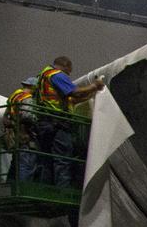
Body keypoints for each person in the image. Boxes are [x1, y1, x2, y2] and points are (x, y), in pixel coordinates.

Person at [34, 57, 105, 188]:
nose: (68, 75)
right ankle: (62, 191)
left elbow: (72, 99)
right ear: (66, 66)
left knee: (47, 160)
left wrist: (91, 92)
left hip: (45, 123)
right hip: (57, 122)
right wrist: (94, 85)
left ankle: (45, 189)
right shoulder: (57, 75)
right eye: (69, 72)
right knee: (63, 160)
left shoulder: (43, 77)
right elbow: (75, 92)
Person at [4, 77, 39, 182]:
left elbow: (6, 117)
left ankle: (10, 185)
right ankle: (23, 187)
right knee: (27, 165)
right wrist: (37, 118)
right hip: (25, 135)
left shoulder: (14, 97)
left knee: (16, 164)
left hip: (16, 134)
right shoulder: (28, 98)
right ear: (34, 87)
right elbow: (27, 116)